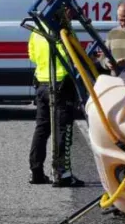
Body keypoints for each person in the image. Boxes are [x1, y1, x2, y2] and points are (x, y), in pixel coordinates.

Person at [28, 31, 85, 187]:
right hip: (61, 84)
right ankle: (63, 175)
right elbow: (74, 56)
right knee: (63, 130)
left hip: (41, 83)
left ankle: (36, 172)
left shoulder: (36, 31)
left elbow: (32, 56)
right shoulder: (63, 31)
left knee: (42, 129)